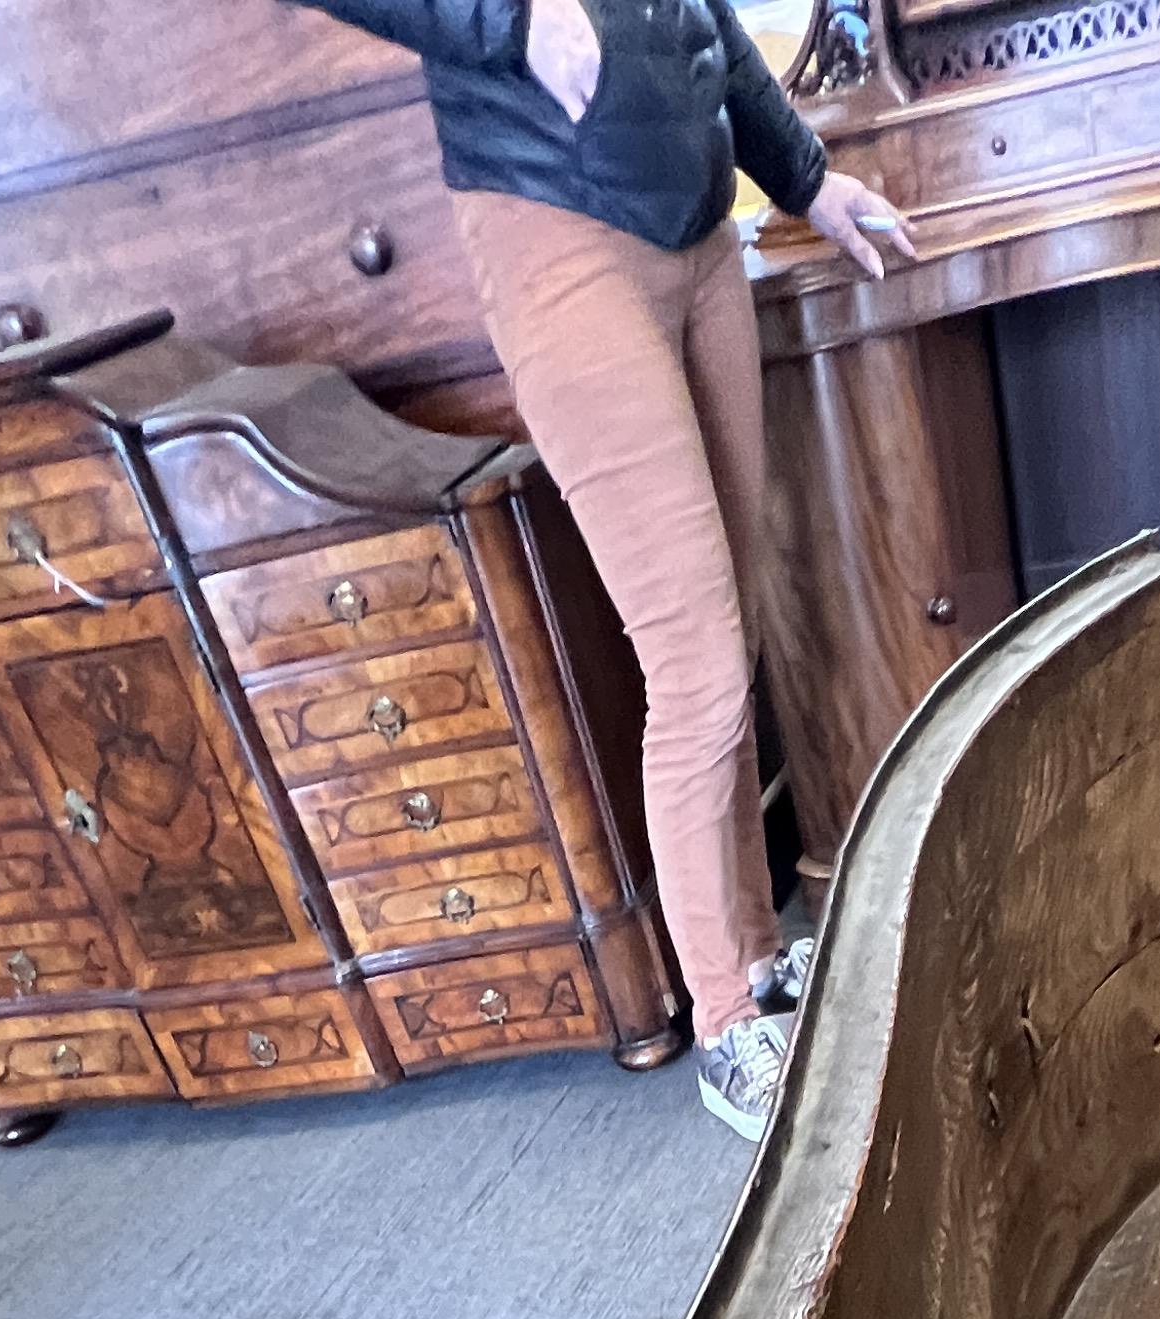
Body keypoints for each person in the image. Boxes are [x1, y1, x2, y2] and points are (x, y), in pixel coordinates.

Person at [289, 0, 915, 1137]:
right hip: (560, 237)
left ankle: (756, 963)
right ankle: (725, 1025)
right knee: (698, 669)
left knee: (739, 638)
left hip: (701, 232)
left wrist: (809, 179)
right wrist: (510, 16)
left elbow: (708, 23)